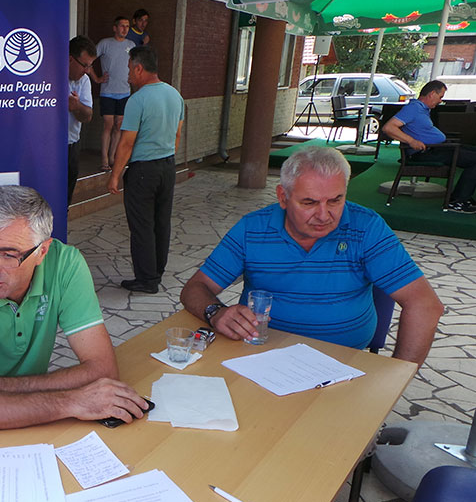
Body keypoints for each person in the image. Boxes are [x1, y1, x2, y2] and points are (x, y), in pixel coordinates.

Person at [0, 185, 148, 451]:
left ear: (42, 252)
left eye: (8, 255)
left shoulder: (65, 264)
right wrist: (71, 401)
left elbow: (102, 369)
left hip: (27, 406)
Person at [179, 145, 443, 366]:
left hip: (344, 361)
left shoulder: (366, 227)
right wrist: (215, 312)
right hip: (262, 356)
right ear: (283, 196)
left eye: (335, 200)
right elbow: (196, 288)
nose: (324, 215)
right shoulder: (253, 228)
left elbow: (425, 306)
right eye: (309, 202)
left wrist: (395, 378)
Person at [107, 45, 185, 295]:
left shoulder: (137, 100)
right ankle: (157, 271)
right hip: (167, 167)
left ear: (139, 68)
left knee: (141, 225)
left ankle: (146, 279)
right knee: (161, 222)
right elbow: (177, 134)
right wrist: (166, 157)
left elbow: (127, 143)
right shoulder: (175, 95)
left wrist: (115, 175)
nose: (129, 75)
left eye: (130, 69)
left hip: (143, 171)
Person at [381, 79, 476, 214]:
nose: (440, 101)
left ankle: (462, 197)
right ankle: (457, 201)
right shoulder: (413, 108)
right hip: (424, 153)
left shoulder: (423, 109)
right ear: (432, 94)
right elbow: (389, 127)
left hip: (437, 148)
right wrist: (412, 141)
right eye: (440, 97)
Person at [93, 16, 133, 171]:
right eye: (122, 26)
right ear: (115, 28)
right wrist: (96, 78)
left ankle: (112, 157)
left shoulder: (131, 45)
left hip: (124, 92)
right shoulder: (105, 43)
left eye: (127, 26)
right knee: (108, 125)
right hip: (108, 92)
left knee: (119, 126)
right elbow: (89, 61)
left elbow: (136, 64)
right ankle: (104, 159)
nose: (125, 29)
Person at [67, 35, 97, 205]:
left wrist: (76, 106)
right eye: (85, 65)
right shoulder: (50, 77)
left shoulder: (84, 81)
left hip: (71, 146)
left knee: (65, 201)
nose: (87, 70)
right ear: (71, 59)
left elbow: (88, 116)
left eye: (90, 66)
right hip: (48, 150)